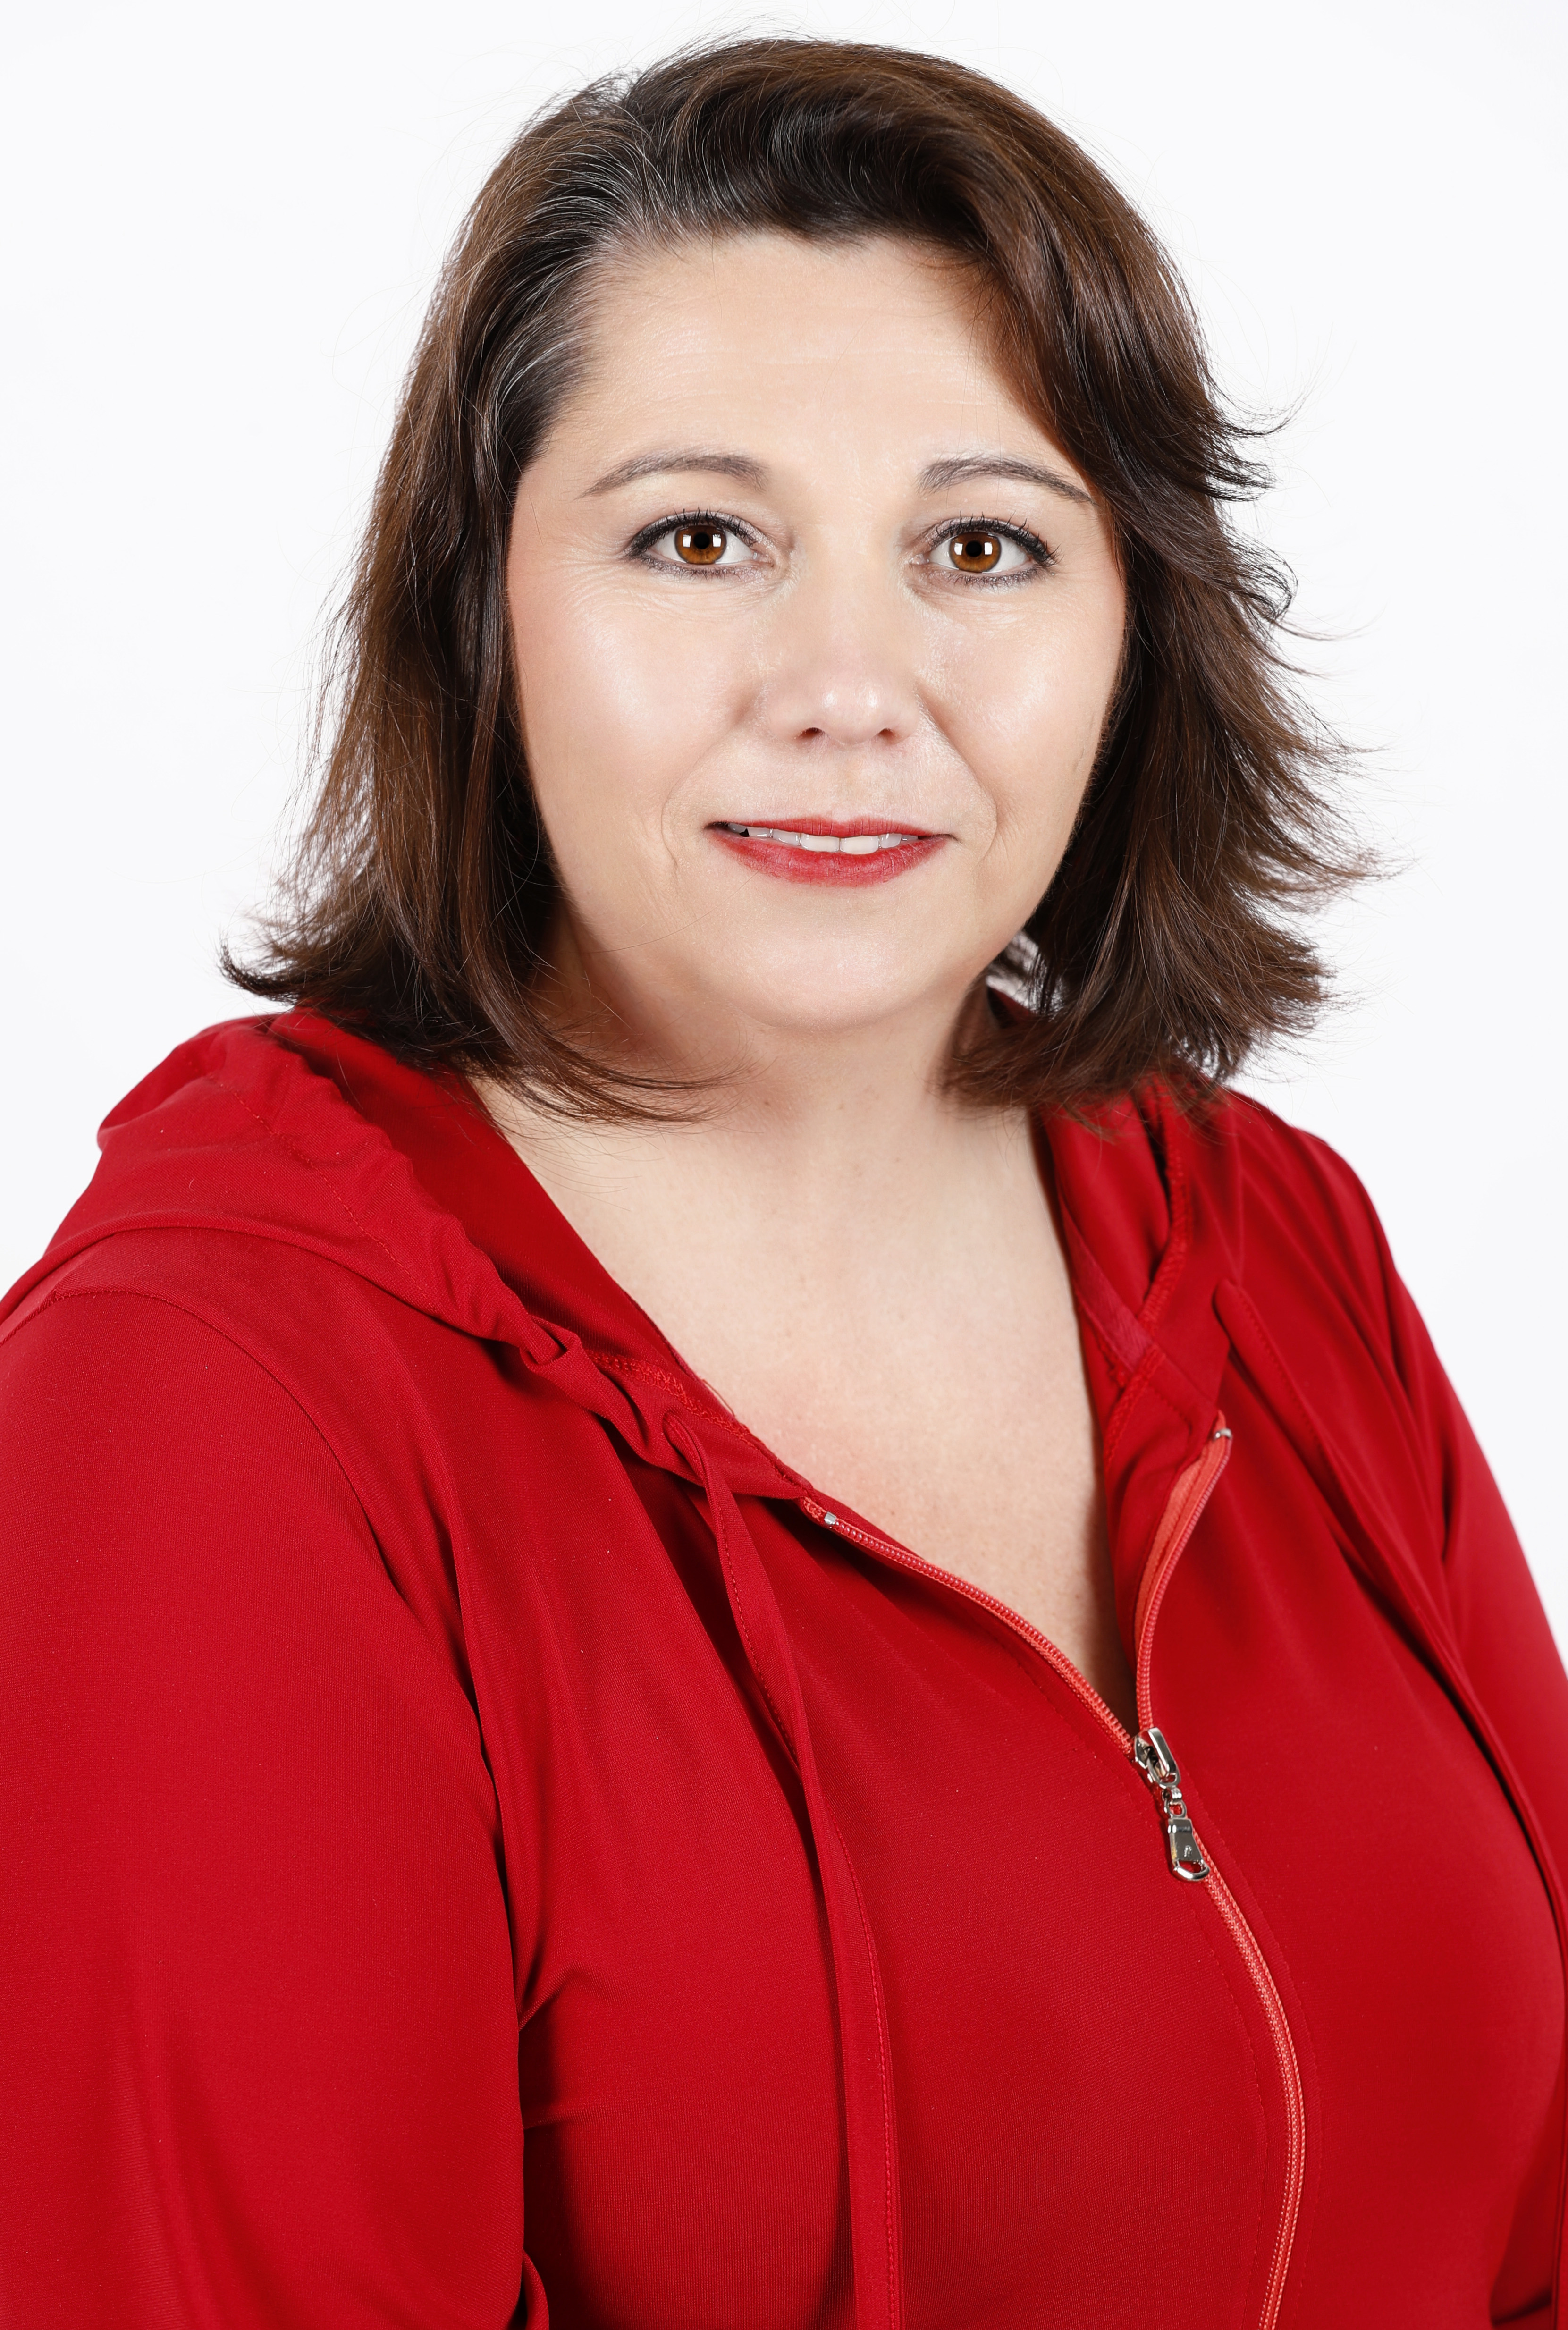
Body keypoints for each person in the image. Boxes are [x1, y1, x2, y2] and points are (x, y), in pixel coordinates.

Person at [1, 36, 1562, 2330]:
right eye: (698, 539)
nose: (850, 684)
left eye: (980, 546)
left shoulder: (1268, 1239)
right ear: (480, 610)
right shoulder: (219, 1407)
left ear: (1136, 629)